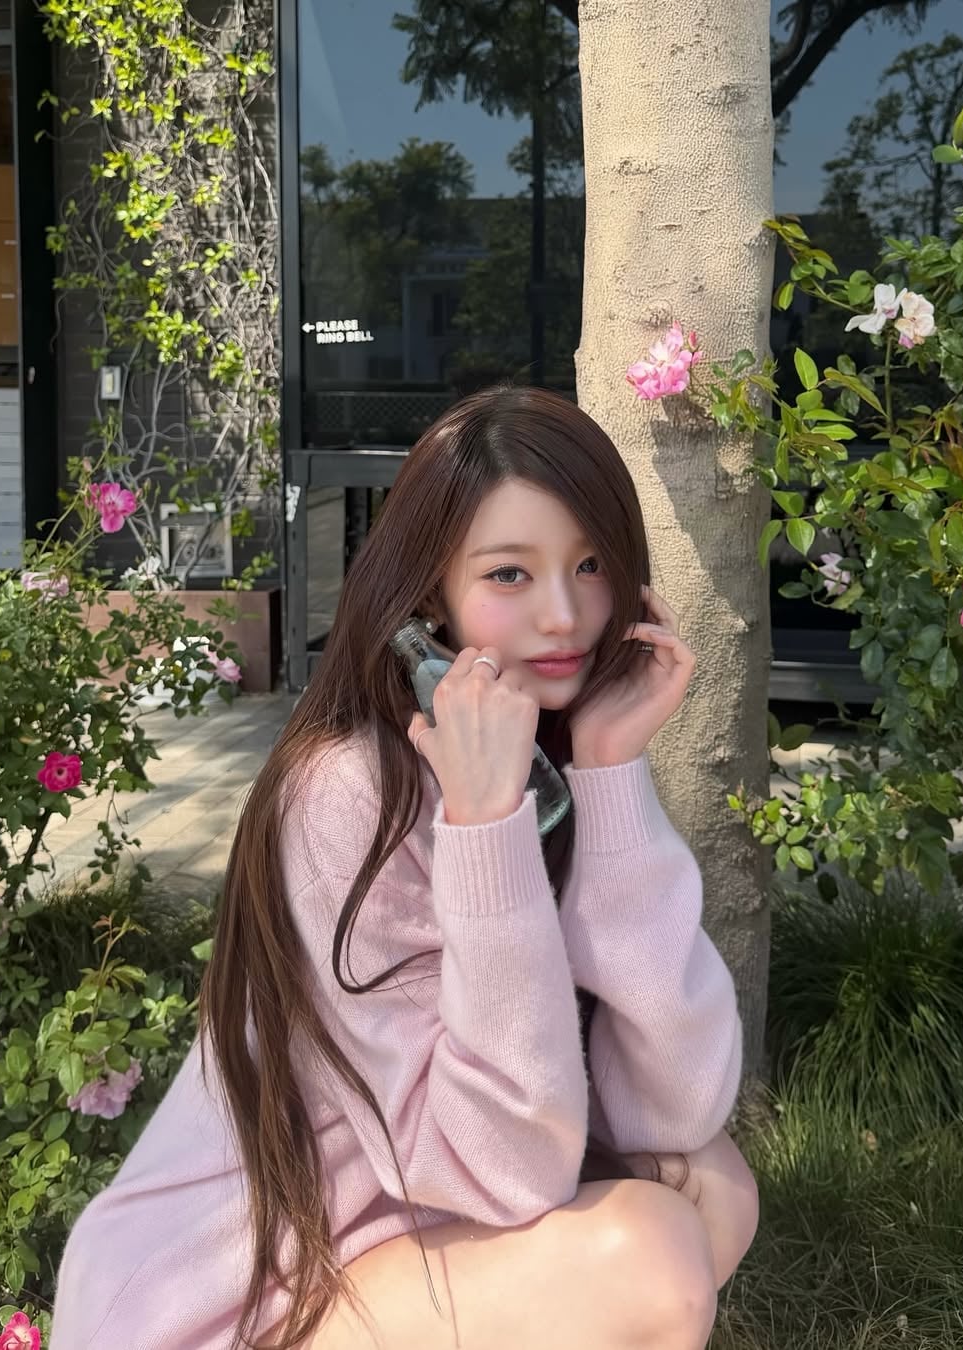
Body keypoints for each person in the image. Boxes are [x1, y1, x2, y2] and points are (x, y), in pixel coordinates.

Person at [51, 386, 759, 1350]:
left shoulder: (547, 760)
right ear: (429, 596)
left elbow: (674, 1103)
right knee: (651, 1258)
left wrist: (611, 774)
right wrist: (484, 830)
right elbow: (505, 1171)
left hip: (402, 1234)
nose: (565, 615)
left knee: (714, 1183)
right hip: (232, 1294)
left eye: (591, 564)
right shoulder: (348, 791)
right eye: (509, 574)